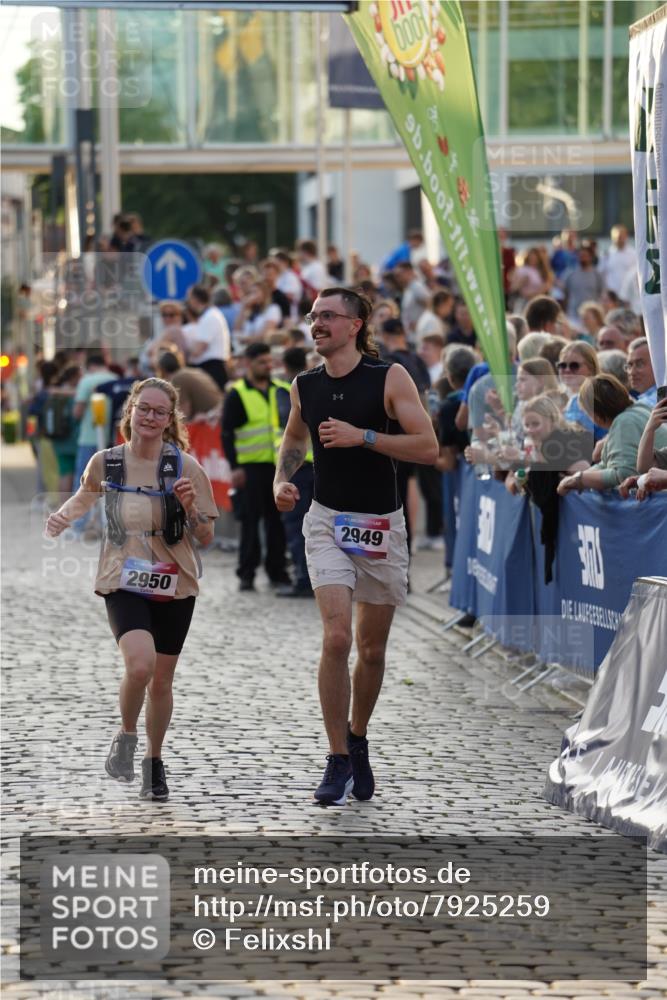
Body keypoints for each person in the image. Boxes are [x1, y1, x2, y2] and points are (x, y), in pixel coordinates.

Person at [273, 287, 438, 806]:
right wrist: (282, 478)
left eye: (328, 316)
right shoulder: (305, 383)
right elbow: (295, 439)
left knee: (371, 649)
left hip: (381, 525)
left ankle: (358, 735)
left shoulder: (388, 377)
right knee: (337, 638)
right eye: (313, 316)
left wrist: (363, 437)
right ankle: (337, 754)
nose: (317, 324)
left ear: (357, 323)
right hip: (325, 521)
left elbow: (428, 448)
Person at [45, 378, 218, 801]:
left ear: (169, 419)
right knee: (139, 666)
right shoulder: (108, 462)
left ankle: (154, 762)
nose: (150, 417)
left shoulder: (184, 467)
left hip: (175, 581)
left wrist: (191, 506)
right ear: (131, 412)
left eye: (160, 412)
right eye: (144, 409)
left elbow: (207, 536)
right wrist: (60, 518)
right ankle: (126, 735)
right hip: (124, 577)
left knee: (161, 680)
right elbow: (85, 495)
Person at [222, 342, 290, 591]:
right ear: (248, 364)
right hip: (250, 468)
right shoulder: (238, 393)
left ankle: (277, 571)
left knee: (277, 522)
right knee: (250, 521)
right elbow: (227, 434)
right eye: (262, 362)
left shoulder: (282, 390)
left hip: (279, 468)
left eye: (269, 362)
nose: (268, 366)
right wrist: (235, 467)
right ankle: (247, 573)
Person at [558, 374, 667, 495]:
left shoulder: (624, 421)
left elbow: (624, 473)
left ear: (596, 415)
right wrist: (579, 477)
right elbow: (607, 464)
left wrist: (580, 480)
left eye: (586, 412)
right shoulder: (638, 408)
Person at [273, 346, 315, 598]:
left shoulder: (284, 390)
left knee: (298, 526)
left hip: (295, 468)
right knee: (314, 527)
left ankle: (304, 578)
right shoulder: (317, 384)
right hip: (315, 466)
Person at [185, 284, 231, 391]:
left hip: (212, 369)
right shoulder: (209, 316)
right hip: (210, 368)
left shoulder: (210, 317)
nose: (188, 302)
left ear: (195, 299)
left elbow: (198, 349)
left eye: (189, 298)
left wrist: (184, 344)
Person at [557, 341, 605, 443]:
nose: (567, 370)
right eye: (562, 365)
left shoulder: (598, 396)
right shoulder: (558, 397)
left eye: (574, 366)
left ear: (591, 368)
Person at [156, 351, 222, 421]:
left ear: (162, 370)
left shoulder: (177, 379)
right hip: (218, 414)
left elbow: (184, 415)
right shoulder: (192, 371)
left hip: (210, 421)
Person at [625, 337, 658, 407]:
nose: (632, 372)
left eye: (639, 364)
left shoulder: (655, 403)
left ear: (657, 364)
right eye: (629, 365)